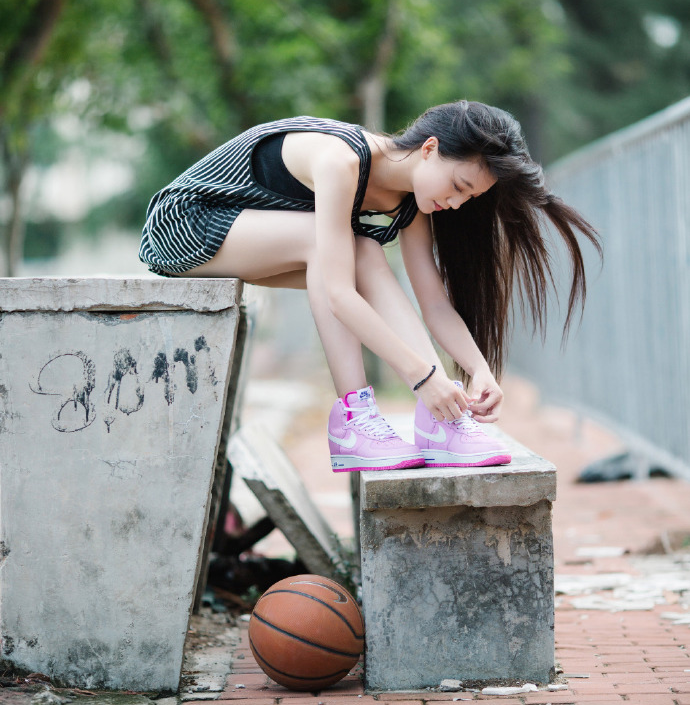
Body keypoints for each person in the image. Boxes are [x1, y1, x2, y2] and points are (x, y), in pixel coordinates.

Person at [139, 100, 602, 472]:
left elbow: (434, 303)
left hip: (257, 243)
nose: (457, 203)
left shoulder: (414, 203)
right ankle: (353, 421)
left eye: (469, 197)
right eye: (459, 184)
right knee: (345, 250)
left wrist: (476, 368)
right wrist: (423, 377)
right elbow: (339, 294)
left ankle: (439, 422)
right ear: (429, 148)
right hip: (187, 224)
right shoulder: (341, 159)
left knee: (362, 252)